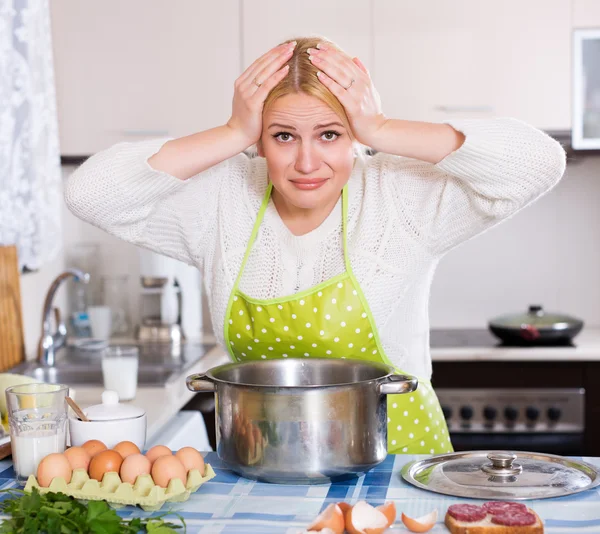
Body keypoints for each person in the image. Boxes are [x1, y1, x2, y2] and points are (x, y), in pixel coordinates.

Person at [65, 36, 566, 454]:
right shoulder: (223, 199)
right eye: (283, 136)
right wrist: (233, 130)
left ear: (355, 138)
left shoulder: (398, 195)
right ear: (260, 142)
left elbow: (538, 162)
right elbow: (90, 194)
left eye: (329, 134)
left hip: (395, 465)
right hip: (261, 468)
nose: (307, 163)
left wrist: (382, 128)